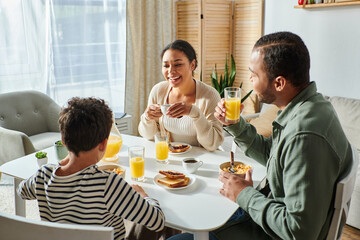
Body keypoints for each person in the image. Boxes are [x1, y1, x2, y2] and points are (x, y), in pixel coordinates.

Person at [171, 31, 353, 240]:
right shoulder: (310, 107)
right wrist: (235, 125)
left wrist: (244, 194)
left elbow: (299, 231)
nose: (249, 78)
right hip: (267, 217)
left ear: (279, 83)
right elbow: (273, 155)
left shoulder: (305, 136)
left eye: (254, 74)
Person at [17, 97, 165, 240]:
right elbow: (156, 221)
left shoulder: (44, 175)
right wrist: (143, 195)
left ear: (63, 141)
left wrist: (58, 166)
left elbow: (22, 191)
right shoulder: (108, 183)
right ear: (103, 144)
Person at [138, 39, 223, 151]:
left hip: (200, 161)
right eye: (166, 66)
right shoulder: (158, 91)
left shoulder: (210, 96)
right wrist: (147, 118)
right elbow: (148, 136)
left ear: (192, 65)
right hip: (170, 159)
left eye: (177, 64)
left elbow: (212, 144)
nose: (171, 71)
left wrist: (195, 113)